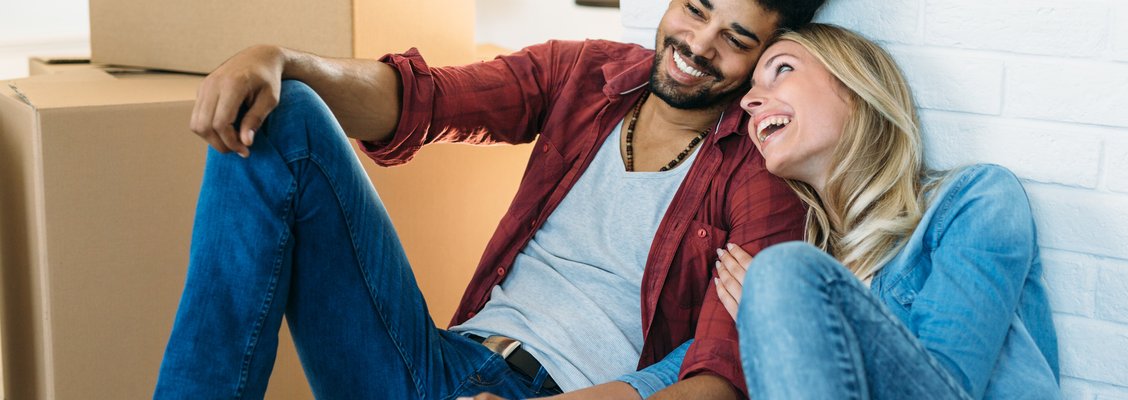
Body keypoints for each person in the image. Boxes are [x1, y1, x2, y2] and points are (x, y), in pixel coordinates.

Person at [154, 0, 827, 399]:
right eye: (697, 9)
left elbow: (714, 386)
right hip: (435, 363)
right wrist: (278, 59)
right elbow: (424, 98)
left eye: (736, 40)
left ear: (768, 58)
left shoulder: (761, 178)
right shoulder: (587, 74)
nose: (697, 45)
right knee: (288, 112)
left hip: (557, 390)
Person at [628, 24, 1062, 399]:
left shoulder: (977, 199)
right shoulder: (790, 263)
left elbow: (948, 385)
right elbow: (673, 374)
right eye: (750, 91)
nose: (749, 102)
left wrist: (787, 327)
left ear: (855, 88)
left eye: (782, 70)